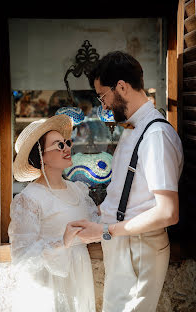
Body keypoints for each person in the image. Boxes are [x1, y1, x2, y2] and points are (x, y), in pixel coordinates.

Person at [70, 51, 184, 312]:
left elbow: (168, 212)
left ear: (121, 87)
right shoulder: (136, 127)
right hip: (124, 242)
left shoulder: (155, 135)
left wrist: (106, 231)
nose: (104, 105)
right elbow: (127, 193)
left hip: (138, 247)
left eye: (103, 96)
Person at [8, 114, 99, 312]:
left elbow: (95, 222)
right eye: (59, 145)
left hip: (79, 276)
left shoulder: (77, 190)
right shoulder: (29, 198)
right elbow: (22, 256)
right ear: (42, 156)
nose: (67, 148)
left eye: (67, 142)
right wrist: (62, 242)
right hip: (49, 284)